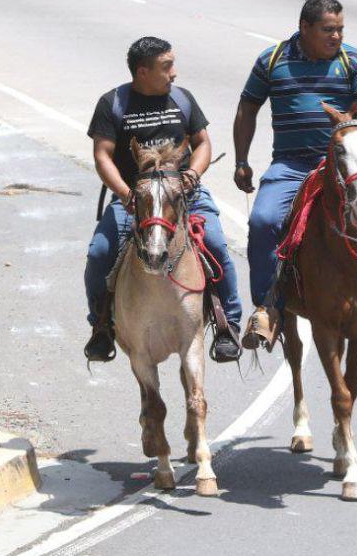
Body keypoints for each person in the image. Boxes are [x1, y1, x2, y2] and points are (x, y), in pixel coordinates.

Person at [234, 0, 357, 347]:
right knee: (263, 221)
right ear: (305, 27)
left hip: (349, 165)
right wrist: (242, 160)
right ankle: (267, 307)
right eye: (328, 30)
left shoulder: (353, 60)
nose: (336, 37)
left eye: (340, 29)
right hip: (292, 165)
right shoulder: (272, 60)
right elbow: (248, 107)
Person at [83, 37, 243, 363]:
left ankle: (228, 324)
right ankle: (101, 327)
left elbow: (203, 143)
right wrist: (126, 194)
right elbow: (102, 156)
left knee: (215, 244)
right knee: (100, 253)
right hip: (137, 200)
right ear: (143, 72)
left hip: (184, 195)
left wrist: (193, 174)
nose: (174, 73)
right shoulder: (112, 104)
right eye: (166, 66)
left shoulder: (182, 99)